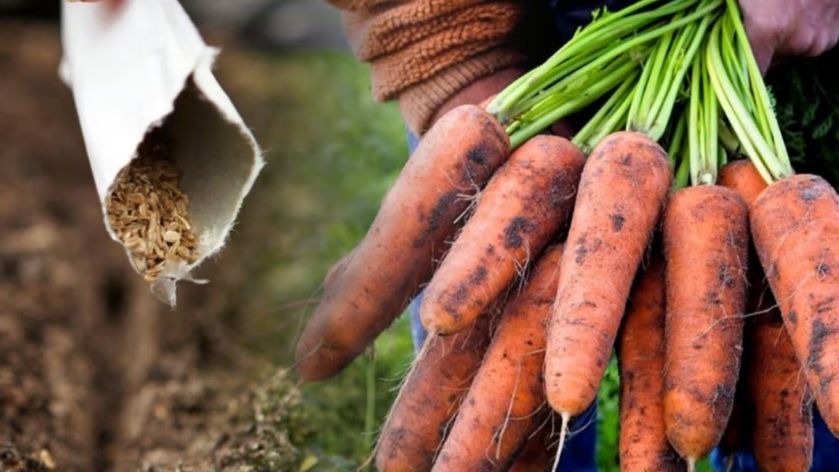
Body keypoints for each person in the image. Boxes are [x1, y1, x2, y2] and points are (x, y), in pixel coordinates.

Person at [325, 0, 839, 470]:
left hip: (802, 53)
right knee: (472, 335)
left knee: (791, 367)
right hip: (502, 51)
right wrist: (448, 52)